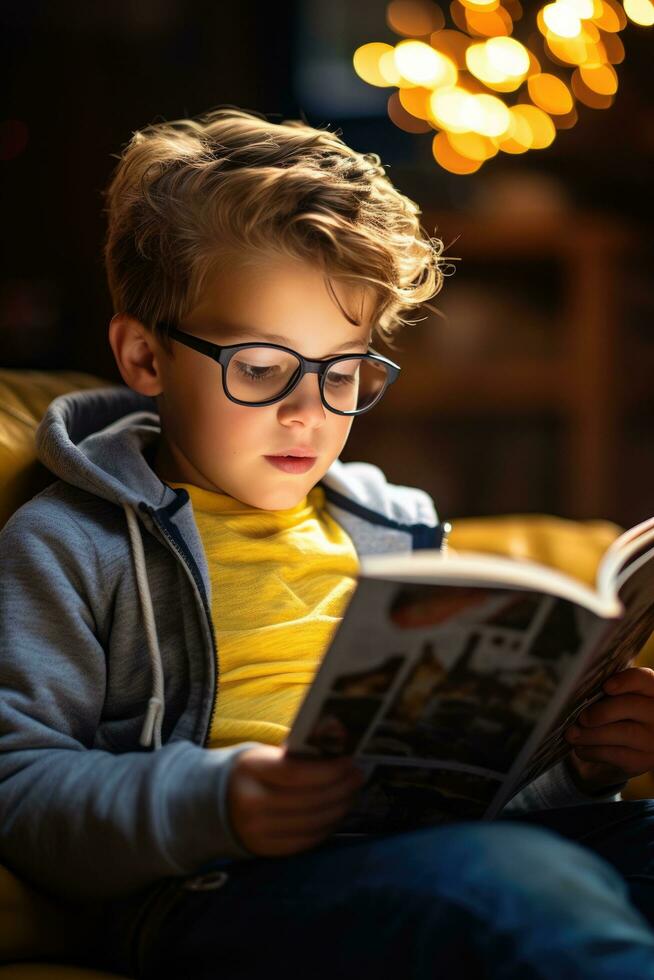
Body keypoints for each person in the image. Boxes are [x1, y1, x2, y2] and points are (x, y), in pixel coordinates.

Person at [0, 106, 653, 980]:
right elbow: (20, 787)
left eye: (343, 373)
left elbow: (460, 792)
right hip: (221, 883)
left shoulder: (396, 530)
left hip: (438, 856)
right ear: (146, 359)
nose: (309, 413)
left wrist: (579, 768)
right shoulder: (72, 542)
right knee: (516, 882)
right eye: (263, 369)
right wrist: (218, 802)